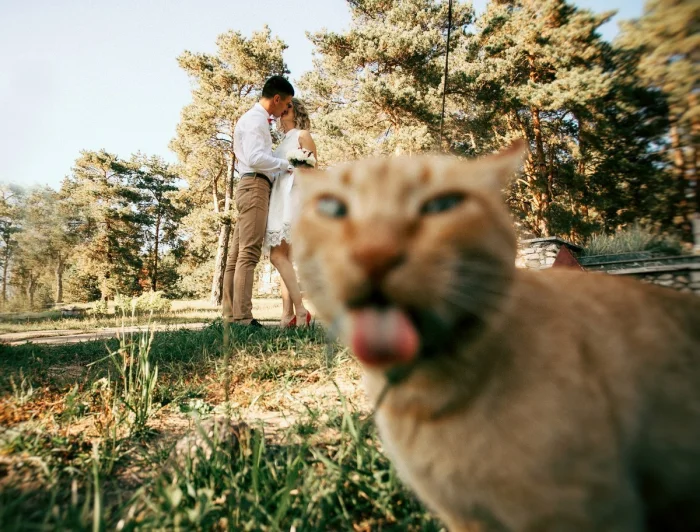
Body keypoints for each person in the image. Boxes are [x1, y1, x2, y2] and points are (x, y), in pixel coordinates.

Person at [222, 76, 294, 327]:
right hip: (255, 185)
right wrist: (286, 165)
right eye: (286, 104)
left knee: (236, 255)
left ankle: (230, 315)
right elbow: (255, 158)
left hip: (249, 184)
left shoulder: (254, 119)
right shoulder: (255, 120)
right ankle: (243, 318)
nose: (286, 109)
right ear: (277, 98)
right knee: (249, 252)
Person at [263, 98, 317, 327]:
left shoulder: (302, 135)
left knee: (277, 256)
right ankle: (287, 315)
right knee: (284, 258)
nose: (285, 109)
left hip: (293, 198)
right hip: (278, 197)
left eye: (290, 106)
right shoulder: (281, 142)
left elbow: (312, 172)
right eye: (283, 106)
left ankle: (301, 311)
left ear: (298, 112)